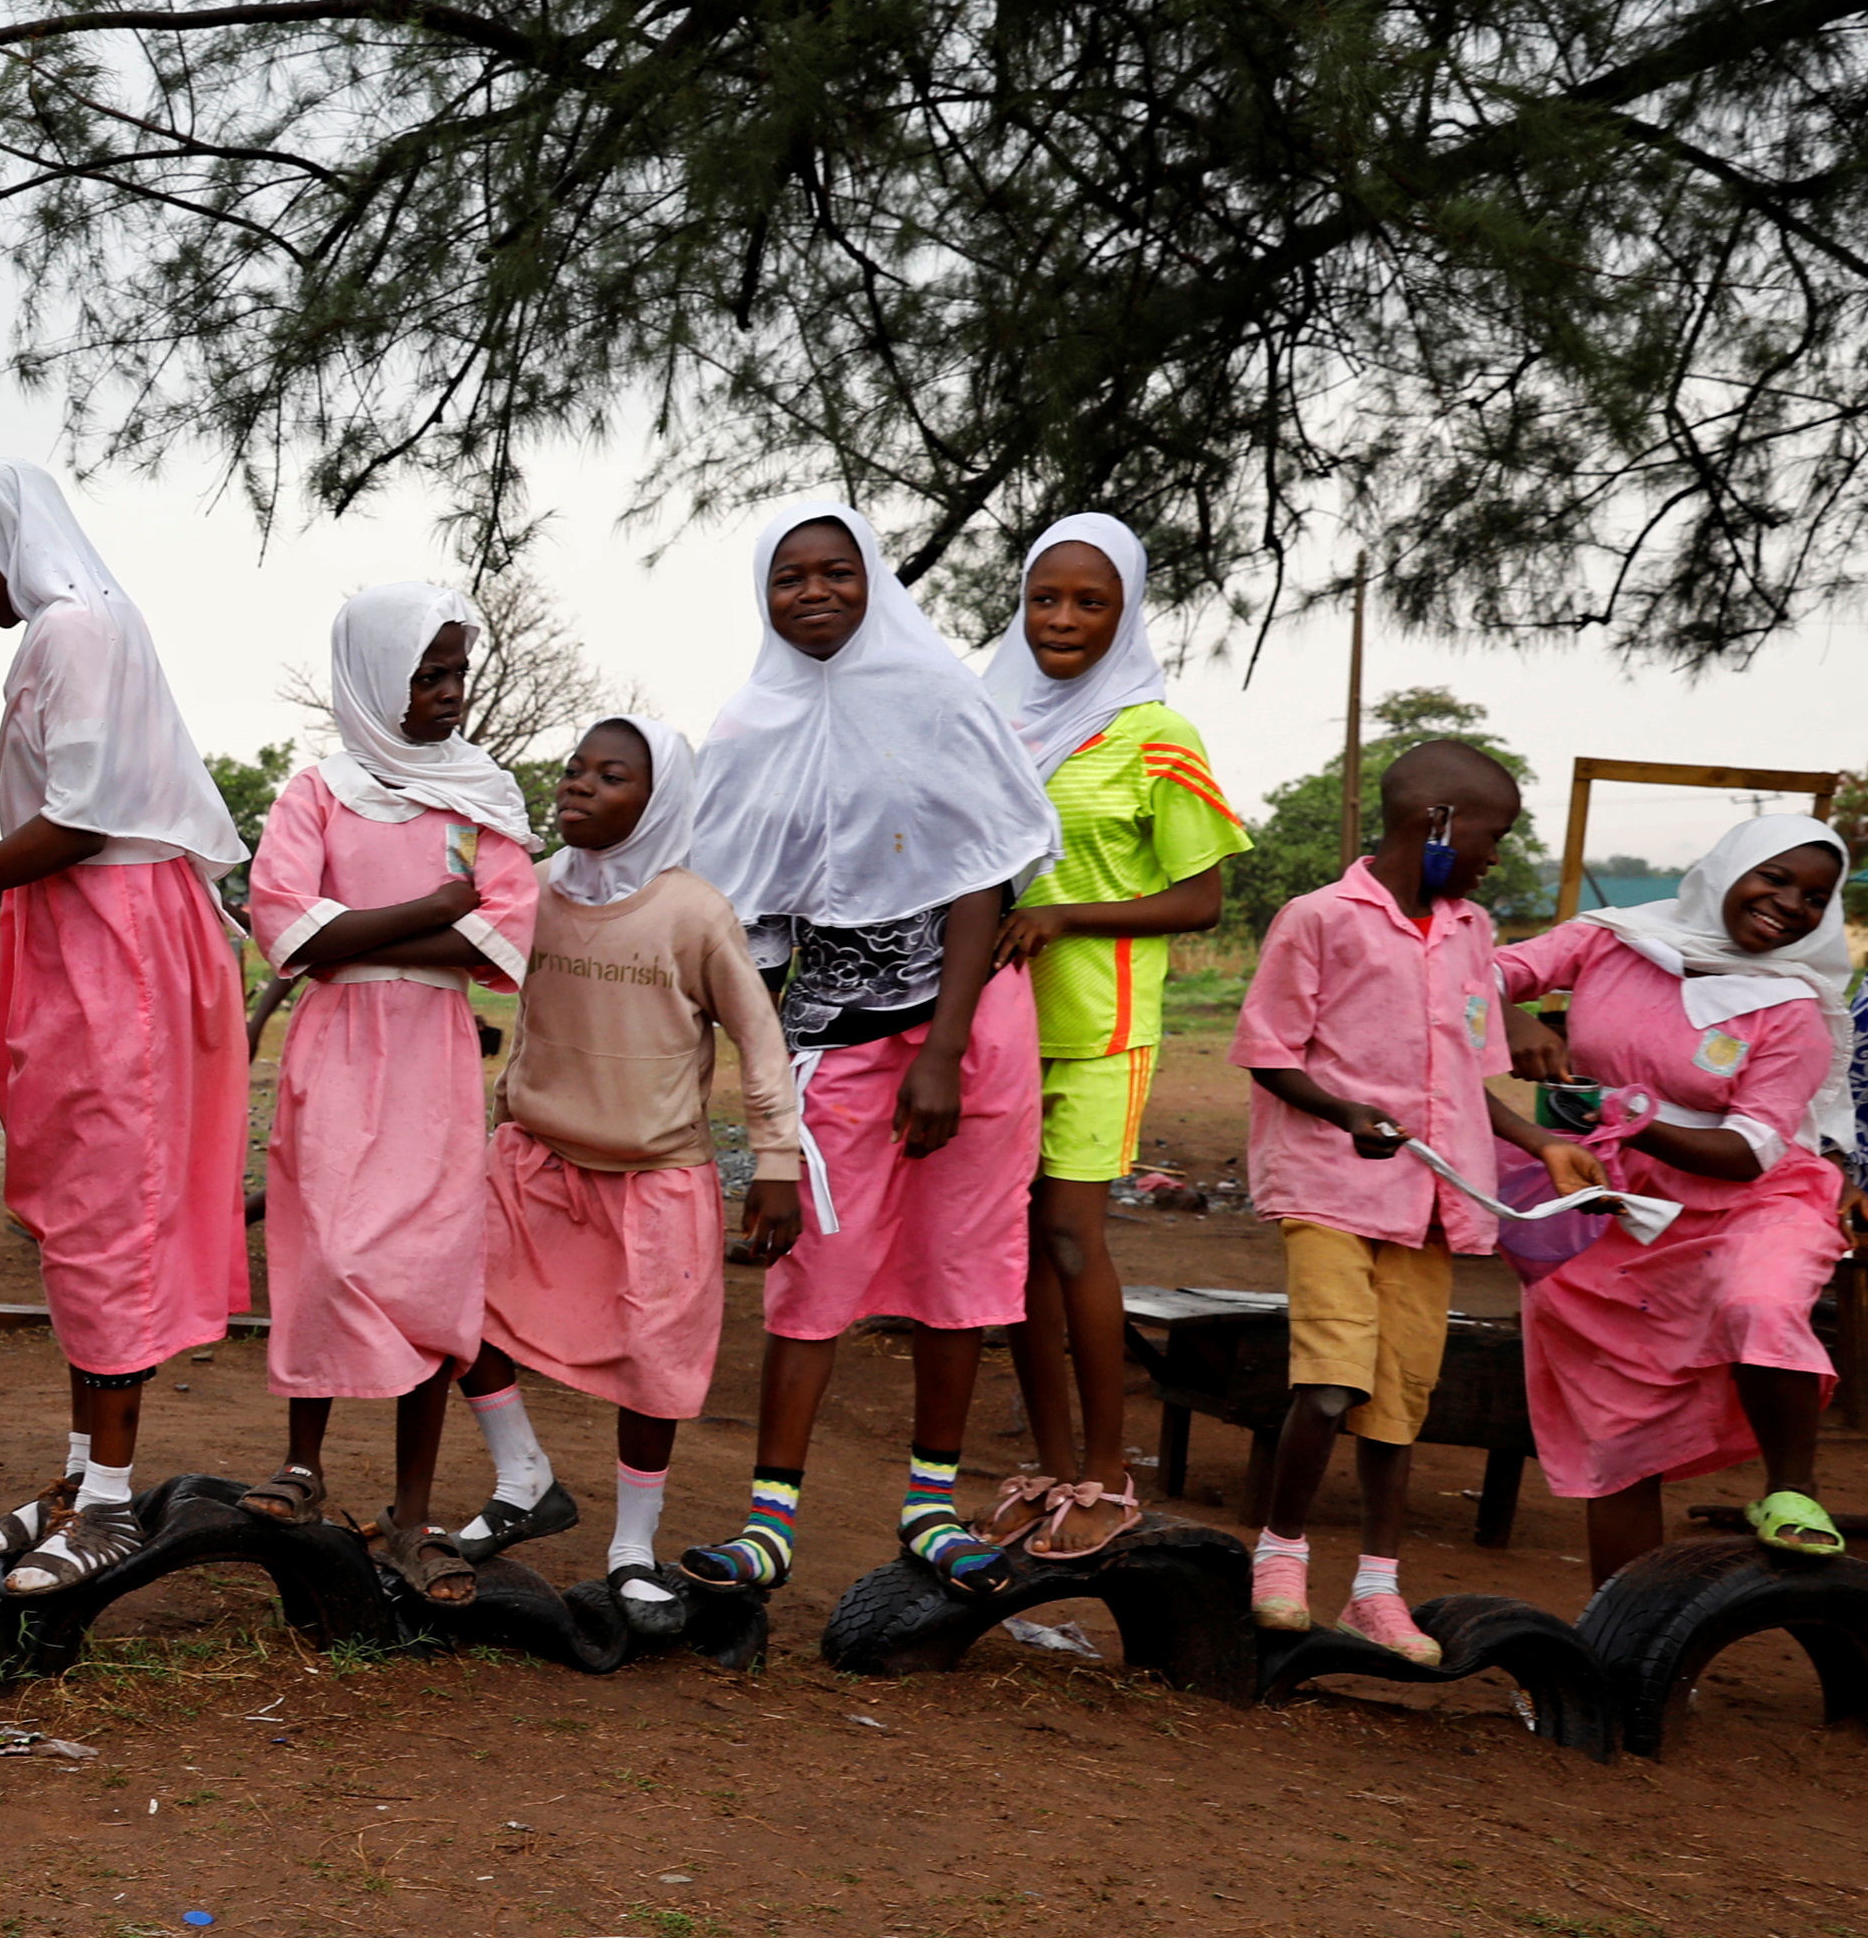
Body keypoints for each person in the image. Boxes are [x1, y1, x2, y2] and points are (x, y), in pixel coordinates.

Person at [680, 499, 1063, 1603]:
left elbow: (979, 871)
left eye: (835, 571)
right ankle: (768, 1527)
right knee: (811, 1274)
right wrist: (759, 1128)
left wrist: (940, 1052)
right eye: (787, 577)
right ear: (763, 594)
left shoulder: (938, 696)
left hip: (965, 1026)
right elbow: (743, 935)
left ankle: (929, 1509)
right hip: (832, 1039)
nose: (813, 593)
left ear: (873, 578)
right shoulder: (750, 727)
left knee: (959, 1269)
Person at [0, 459, 252, 1592]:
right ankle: (81, 1471)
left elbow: (78, 819)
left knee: (111, 1209)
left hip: (117, 939)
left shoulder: (77, 629)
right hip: (73, 931)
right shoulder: (53, 636)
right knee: (76, 1208)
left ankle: (112, 1500)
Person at [1229, 738, 1598, 1650]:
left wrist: (1545, 1144)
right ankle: (1278, 1555)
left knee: (1397, 1403)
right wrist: (1345, 1109)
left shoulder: (1471, 933)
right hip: (1330, 1186)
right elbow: (1268, 1049)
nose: (1497, 854)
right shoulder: (1318, 918)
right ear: (1436, 822)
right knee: (1329, 1382)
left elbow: (1468, 1077)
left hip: (1432, 1202)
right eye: (1493, 833)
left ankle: (1377, 1590)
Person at [453, 714, 806, 1616]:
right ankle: (523, 1478)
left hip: (655, 1175)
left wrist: (776, 1160)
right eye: (574, 769)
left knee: (655, 1362)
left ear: (659, 805)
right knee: (457, 1311)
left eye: (610, 777)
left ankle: (631, 1545)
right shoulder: (530, 893)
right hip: (533, 1159)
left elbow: (761, 1042)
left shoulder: (693, 913)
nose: (577, 785)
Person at [239, 585, 540, 1567]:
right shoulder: (314, 791)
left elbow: (501, 928)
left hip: (431, 1049)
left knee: (428, 1265)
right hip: (336, 1046)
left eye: (456, 672)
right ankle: (301, 1462)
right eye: (426, 674)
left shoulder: (483, 791)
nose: (448, 692)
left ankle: (413, 1508)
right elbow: (284, 927)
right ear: (373, 677)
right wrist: (434, 905)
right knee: (323, 1248)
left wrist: (365, 926)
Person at [981, 515, 1249, 1557]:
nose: (1061, 619)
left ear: (1125, 612)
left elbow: (1200, 898)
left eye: (1089, 602)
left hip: (1098, 1025)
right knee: (1010, 1259)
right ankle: (1046, 1467)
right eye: (1045, 597)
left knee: (1067, 1238)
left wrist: (1067, 918)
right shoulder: (993, 716)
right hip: (996, 1025)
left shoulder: (1154, 735)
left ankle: (1106, 1471)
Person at [1496, 809, 1856, 1576]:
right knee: (1621, 1437)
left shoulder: (1792, 1006)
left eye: (1815, 897)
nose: (1792, 904)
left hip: (1753, 1199)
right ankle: (1621, 1651)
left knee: (1756, 1301)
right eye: (1776, 877)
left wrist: (1625, 1117)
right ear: (1727, 870)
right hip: (1618, 1204)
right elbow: (1472, 975)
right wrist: (1510, 1015)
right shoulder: (1613, 939)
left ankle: (1790, 1489)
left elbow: (1749, 1151)